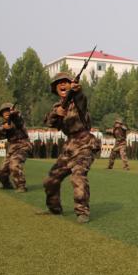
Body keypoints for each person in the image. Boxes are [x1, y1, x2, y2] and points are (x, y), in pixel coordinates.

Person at [41, 73, 100, 223]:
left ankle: (82, 211)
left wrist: (78, 92)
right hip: (70, 146)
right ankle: (54, 208)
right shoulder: (57, 106)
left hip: (85, 143)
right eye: (58, 83)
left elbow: (82, 100)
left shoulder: (77, 101)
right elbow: (49, 122)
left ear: (71, 85)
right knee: (50, 179)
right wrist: (57, 112)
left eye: (65, 82)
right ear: (55, 89)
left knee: (78, 176)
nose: (62, 85)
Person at [0, 103, 30, 192]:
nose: (6, 112)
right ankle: (6, 184)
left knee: (14, 165)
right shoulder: (3, 124)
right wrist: (4, 128)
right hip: (12, 147)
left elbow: (19, 122)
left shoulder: (17, 119)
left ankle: (21, 186)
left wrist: (15, 115)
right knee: (1, 171)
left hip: (23, 145)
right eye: (4, 111)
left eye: (8, 110)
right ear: (1, 114)